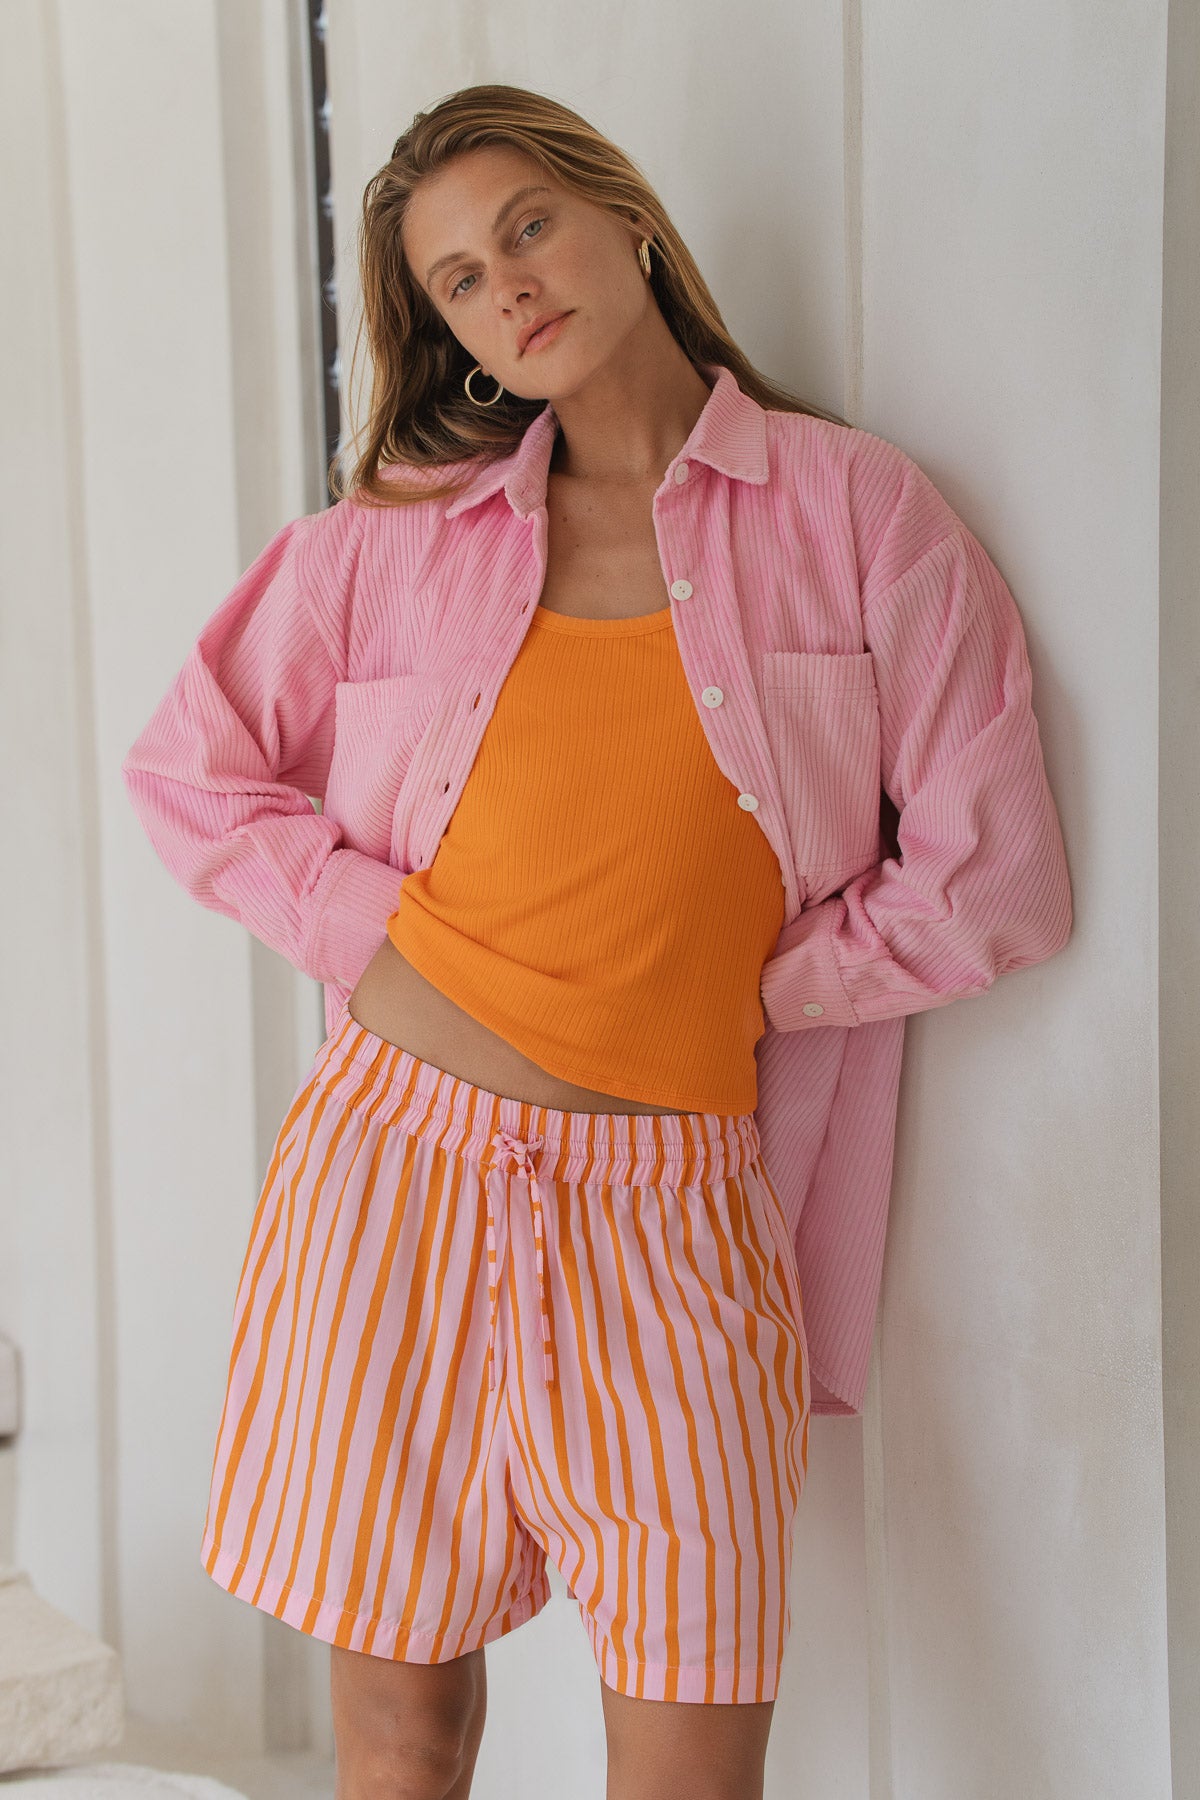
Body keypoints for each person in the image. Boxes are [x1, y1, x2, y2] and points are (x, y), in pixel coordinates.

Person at [122, 82, 1072, 1800]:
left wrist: (765, 983)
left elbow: (996, 873)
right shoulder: (394, 547)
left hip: (682, 1214)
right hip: (388, 1185)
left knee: (695, 1771)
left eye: (527, 229)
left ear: (620, 213)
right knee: (403, 1743)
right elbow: (190, 770)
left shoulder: (857, 515)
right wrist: (379, 943)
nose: (510, 289)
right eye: (461, 283)